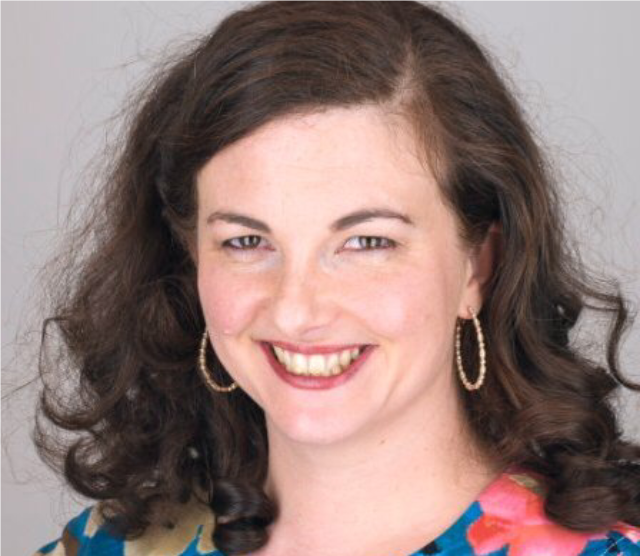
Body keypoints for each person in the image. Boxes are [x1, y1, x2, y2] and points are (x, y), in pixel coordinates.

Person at [33, 0, 640, 554]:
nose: (296, 310)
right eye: (246, 242)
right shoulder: (99, 547)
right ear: (192, 259)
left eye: (367, 242)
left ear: (478, 266)